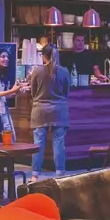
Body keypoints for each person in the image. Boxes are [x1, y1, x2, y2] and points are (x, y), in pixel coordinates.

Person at [28, 44, 71, 179]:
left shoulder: (37, 71)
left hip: (40, 111)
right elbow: (66, 92)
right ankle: (60, 174)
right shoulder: (64, 71)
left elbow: (33, 92)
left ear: (44, 56)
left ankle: (35, 175)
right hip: (59, 111)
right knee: (59, 143)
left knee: (38, 143)